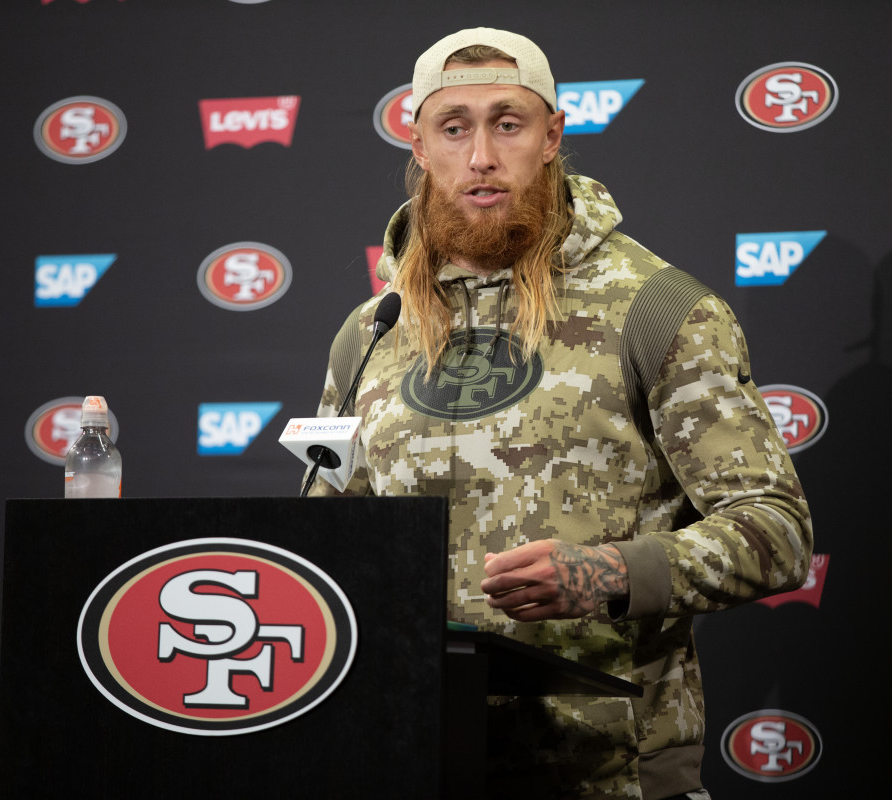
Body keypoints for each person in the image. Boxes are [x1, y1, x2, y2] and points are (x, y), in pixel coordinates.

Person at [305, 27, 813, 800]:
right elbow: (323, 546)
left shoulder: (656, 308)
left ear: (552, 137)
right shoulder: (372, 331)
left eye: (507, 124)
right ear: (419, 147)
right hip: (412, 760)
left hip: (608, 775)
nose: (481, 155)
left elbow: (777, 533)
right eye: (454, 127)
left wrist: (611, 573)